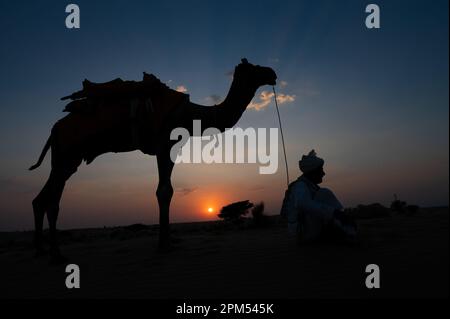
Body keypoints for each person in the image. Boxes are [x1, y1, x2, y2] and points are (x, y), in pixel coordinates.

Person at [280, 150, 356, 243]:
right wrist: (334, 213)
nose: (323, 173)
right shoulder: (300, 186)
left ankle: (344, 227)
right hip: (302, 233)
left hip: (305, 231)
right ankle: (347, 229)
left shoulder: (309, 186)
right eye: (321, 170)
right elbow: (303, 204)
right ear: (312, 172)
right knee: (324, 193)